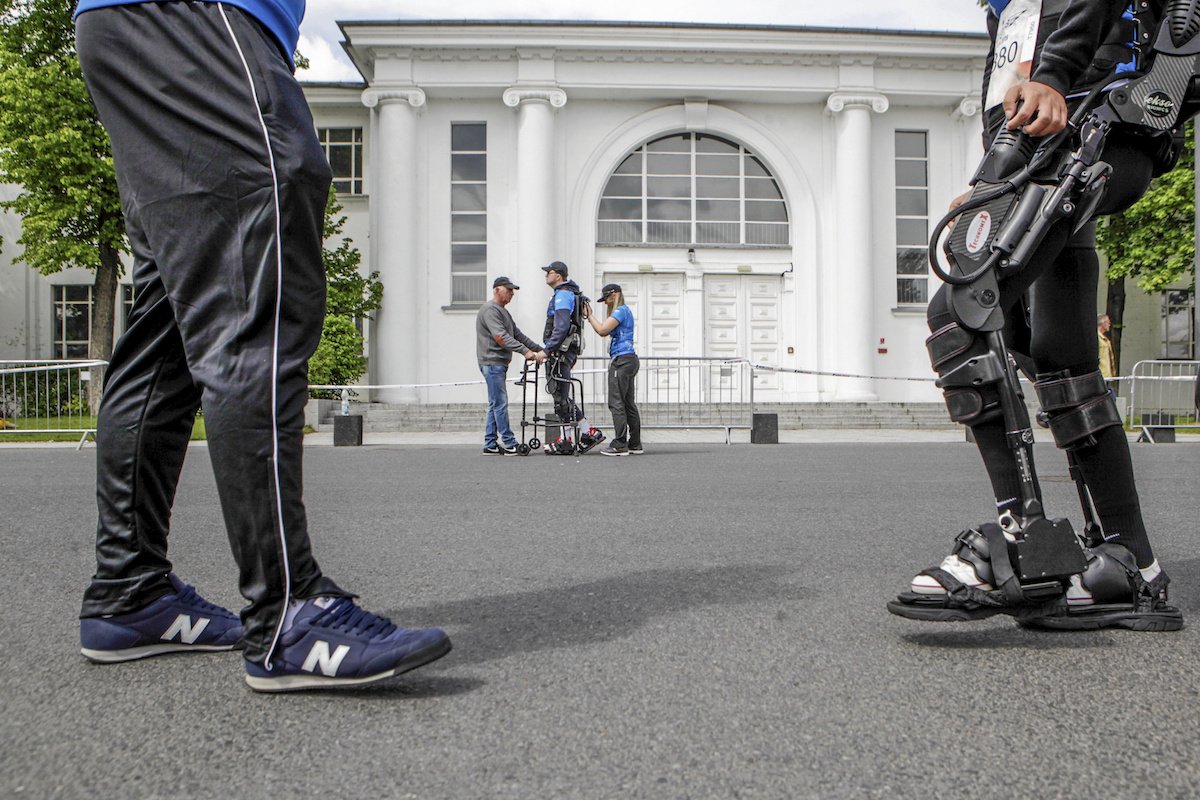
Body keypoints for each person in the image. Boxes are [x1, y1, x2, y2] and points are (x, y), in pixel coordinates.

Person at [73, 0, 451, 691]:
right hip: (199, 20)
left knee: (164, 325)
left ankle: (129, 591)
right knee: (260, 290)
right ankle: (289, 614)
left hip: (123, 26)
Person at [891, 0, 1182, 631]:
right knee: (1058, 352)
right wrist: (995, 170)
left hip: (1096, 116)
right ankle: (1128, 565)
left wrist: (1053, 75)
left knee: (960, 310)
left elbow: (1050, 51)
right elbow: (1010, 69)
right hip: (1045, 137)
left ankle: (1026, 548)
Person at [541, 261, 605, 455]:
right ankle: (574, 436)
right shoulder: (570, 293)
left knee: (560, 395)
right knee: (561, 396)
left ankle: (583, 434)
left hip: (559, 353)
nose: (546, 276)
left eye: (549, 272)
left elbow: (560, 328)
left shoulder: (562, 295)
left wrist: (547, 349)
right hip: (565, 351)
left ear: (558, 275)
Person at [477, 276, 544, 455]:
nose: (512, 293)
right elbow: (501, 337)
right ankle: (509, 443)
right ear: (497, 290)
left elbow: (517, 335)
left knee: (495, 403)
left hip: (497, 363)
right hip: (492, 362)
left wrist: (541, 350)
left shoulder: (503, 312)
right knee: (500, 403)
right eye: (508, 289)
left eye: (512, 290)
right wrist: (525, 352)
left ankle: (490, 443)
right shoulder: (490, 310)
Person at [586, 283, 643, 456]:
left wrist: (589, 316)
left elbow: (602, 330)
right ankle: (635, 443)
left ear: (614, 295)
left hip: (622, 360)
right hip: (629, 359)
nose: (605, 303)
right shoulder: (624, 311)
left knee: (616, 402)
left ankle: (620, 444)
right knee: (627, 403)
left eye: (606, 299)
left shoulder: (620, 311)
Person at [1097, 314, 1117, 381]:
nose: (1109, 325)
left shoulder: (1104, 338)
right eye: (1108, 322)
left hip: (1107, 376)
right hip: (1102, 375)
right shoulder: (1097, 338)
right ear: (1103, 323)